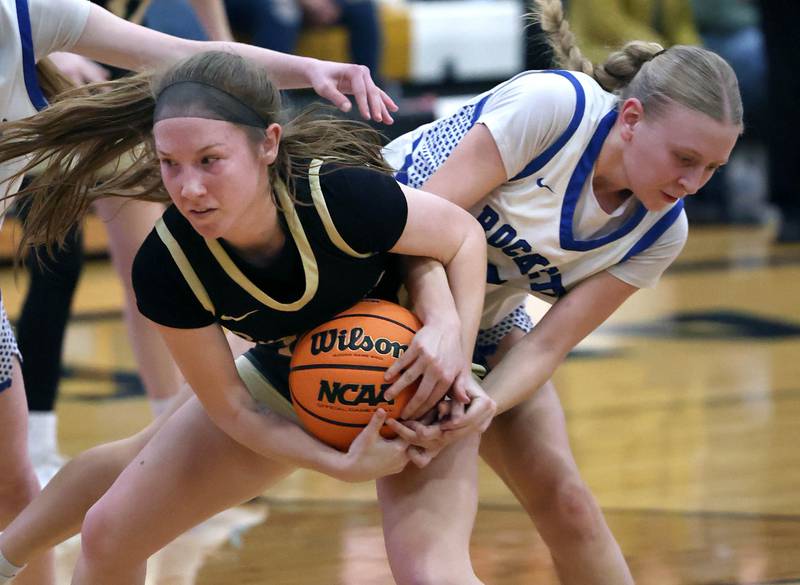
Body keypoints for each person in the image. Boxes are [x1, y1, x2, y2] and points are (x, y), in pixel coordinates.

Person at [0, 50, 494, 585]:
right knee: (109, 531)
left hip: (418, 375)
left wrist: (454, 349)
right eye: (170, 164)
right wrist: (338, 465)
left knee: (428, 570)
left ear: (268, 144)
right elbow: (234, 410)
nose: (189, 188)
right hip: (291, 369)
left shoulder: (337, 195)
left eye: (210, 160)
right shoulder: (168, 266)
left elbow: (462, 237)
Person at [375, 0, 743, 583]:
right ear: (630, 118)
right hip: (366, 277)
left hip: (474, 326)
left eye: (712, 170)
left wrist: (483, 403)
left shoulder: (661, 229)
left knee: (568, 503)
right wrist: (449, 342)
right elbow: (417, 231)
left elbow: (547, 346)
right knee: (429, 551)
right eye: (685, 159)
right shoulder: (556, 108)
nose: (692, 184)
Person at [21, 0, 238, 490]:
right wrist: (50, 55)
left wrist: (224, 49)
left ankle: (172, 442)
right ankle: (34, 445)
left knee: (150, 275)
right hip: (49, 92)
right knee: (55, 268)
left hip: (122, 91)